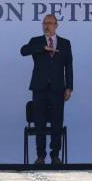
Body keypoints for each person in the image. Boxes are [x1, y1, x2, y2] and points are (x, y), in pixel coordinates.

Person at [20, 14, 73, 165]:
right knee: (39, 123)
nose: (47, 25)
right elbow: (23, 51)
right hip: (39, 88)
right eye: (44, 23)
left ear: (56, 25)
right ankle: (40, 156)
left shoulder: (65, 43)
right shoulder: (36, 41)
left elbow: (69, 66)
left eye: (50, 23)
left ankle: (55, 155)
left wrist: (69, 87)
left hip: (57, 88)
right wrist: (41, 48)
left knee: (57, 122)